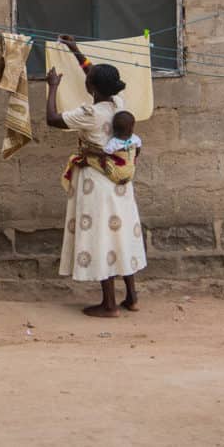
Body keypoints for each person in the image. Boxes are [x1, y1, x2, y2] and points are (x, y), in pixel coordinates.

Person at [46, 35, 147, 317]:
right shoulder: (118, 102)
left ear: (91, 88)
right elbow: (94, 75)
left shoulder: (89, 113)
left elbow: (52, 120)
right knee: (121, 235)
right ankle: (132, 297)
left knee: (103, 237)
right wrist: (75, 49)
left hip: (97, 183)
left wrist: (53, 88)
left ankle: (109, 304)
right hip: (120, 183)